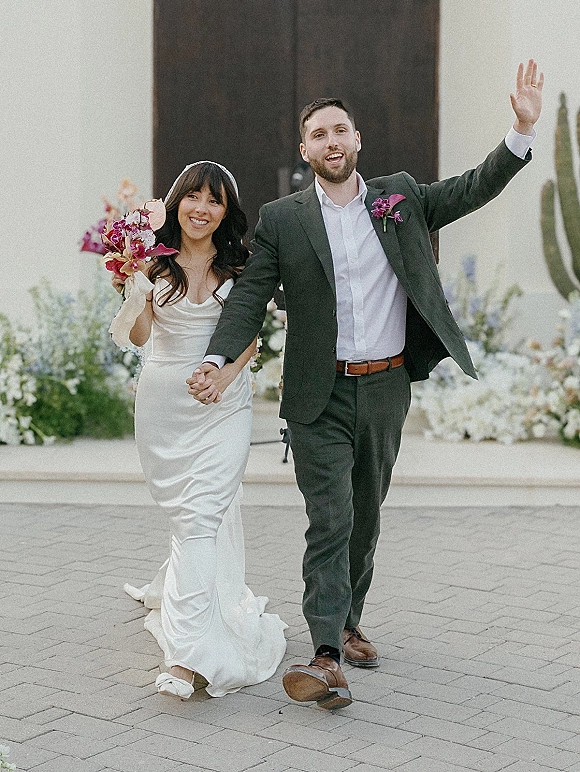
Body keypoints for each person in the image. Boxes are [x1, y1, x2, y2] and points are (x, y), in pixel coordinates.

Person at [189, 61, 544, 709]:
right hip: (316, 396)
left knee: (365, 516)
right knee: (331, 517)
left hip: (384, 389)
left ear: (357, 141)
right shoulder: (283, 219)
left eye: (340, 130)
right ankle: (325, 655)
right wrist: (217, 357)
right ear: (304, 150)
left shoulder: (400, 197)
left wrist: (519, 132)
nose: (331, 141)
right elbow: (251, 299)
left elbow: (472, 188)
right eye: (318, 133)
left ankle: (349, 622)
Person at [116, 161, 286, 700]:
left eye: (214, 201)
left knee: (200, 515)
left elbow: (249, 336)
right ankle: (179, 588)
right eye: (193, 198)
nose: (201, 209)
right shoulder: (154, 263)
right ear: (175, 203)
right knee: (187, 515)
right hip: (164, 405)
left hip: (222, 404)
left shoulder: (240, 266)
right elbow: (142, 337)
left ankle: (187, 657)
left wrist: (225, 375)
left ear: (225, 212)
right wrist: (134, 287)